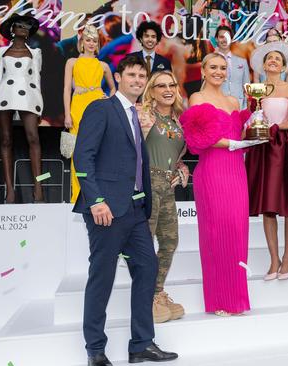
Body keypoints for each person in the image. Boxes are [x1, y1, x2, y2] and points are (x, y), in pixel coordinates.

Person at [72, 56, 178, 365]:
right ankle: (95, 350)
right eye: (131, 74)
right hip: (106, 209)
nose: (137, 79)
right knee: (101, 278)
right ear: (118, 76)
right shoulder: (101, 108)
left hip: (134, 210)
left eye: (141, 75)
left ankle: (141, 344)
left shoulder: (136, 114)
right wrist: (95, 201)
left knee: (147, 268)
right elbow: (83, 156)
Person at [179, 52, 265, 316]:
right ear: (203, 70)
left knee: (237, 230)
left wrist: (255, 124)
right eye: (213, 67)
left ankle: (237, 297)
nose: (218, 71)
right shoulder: (197, 98)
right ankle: (218, 299)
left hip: (236, 170)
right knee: (216, 233)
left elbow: (239, 133)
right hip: (213, 171)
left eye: (222, 68)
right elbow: (196, 138)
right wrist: (233, 144)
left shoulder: (233, 100)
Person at [245, 49, 288, 281]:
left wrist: (276, 129)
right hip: (263, 148)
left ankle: (287, 257)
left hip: (285, 145)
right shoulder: (255, 89)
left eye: (278, 59)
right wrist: (256, 126)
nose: (273, 61)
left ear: (284, 65)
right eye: (270, 59)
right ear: (264, 65)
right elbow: (252, 116)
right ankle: (274, 259)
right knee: (267, 204)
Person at [137, 70, 189, 323]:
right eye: (161, 86)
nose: (168, 89)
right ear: (151, 90)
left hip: (167, 186)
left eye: (172, 84)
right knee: (145, 244)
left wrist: (182, 170)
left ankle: (157, 293)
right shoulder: (143, 115)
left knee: (170, 242)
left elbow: (176, 156)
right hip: (147, 183)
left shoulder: (179, 121)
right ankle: (145, 298)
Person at [0, 14, 45, 204]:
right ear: (12, 30)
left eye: (26, 26)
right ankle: (10, 191)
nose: (23, 28)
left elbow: (36, 81)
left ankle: (38, 190)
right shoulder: (2, 51)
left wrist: (39, 107)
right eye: (19, 25)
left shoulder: (35, 53)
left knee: (33, 138)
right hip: (4, 94)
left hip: (28, 95)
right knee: (5, 140)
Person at [63, 25, 115, 203]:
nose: (91, 43)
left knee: (99, 148)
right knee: (78, 150)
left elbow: (114, 87)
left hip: (98, 104)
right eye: (88, 40)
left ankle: (97, 194)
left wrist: (108, 99)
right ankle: (78, 195)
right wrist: (67, 115)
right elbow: (65, 89)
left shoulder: (103, 65)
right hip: (78, 105)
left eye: (94, 40)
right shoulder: (72, 62)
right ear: (82, 42)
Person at [214, 25, 250, 109]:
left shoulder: (242, 61)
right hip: (217, 105)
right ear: (216, 39)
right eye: (221, 37)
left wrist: (246, 107)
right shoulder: (210, 60)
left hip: (239, 105)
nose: (224, 40)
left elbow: (247, 86)